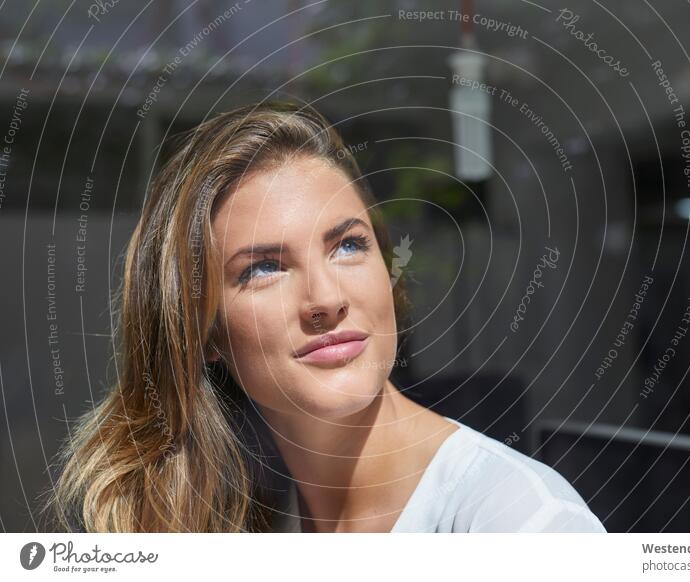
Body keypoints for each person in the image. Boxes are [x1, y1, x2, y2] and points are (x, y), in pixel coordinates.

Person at [43, 100, 606, 533]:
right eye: (264, 267)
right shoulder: (239, 510)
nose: (324, 298)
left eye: (347, 246)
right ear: (206, 330)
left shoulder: (522, 524)